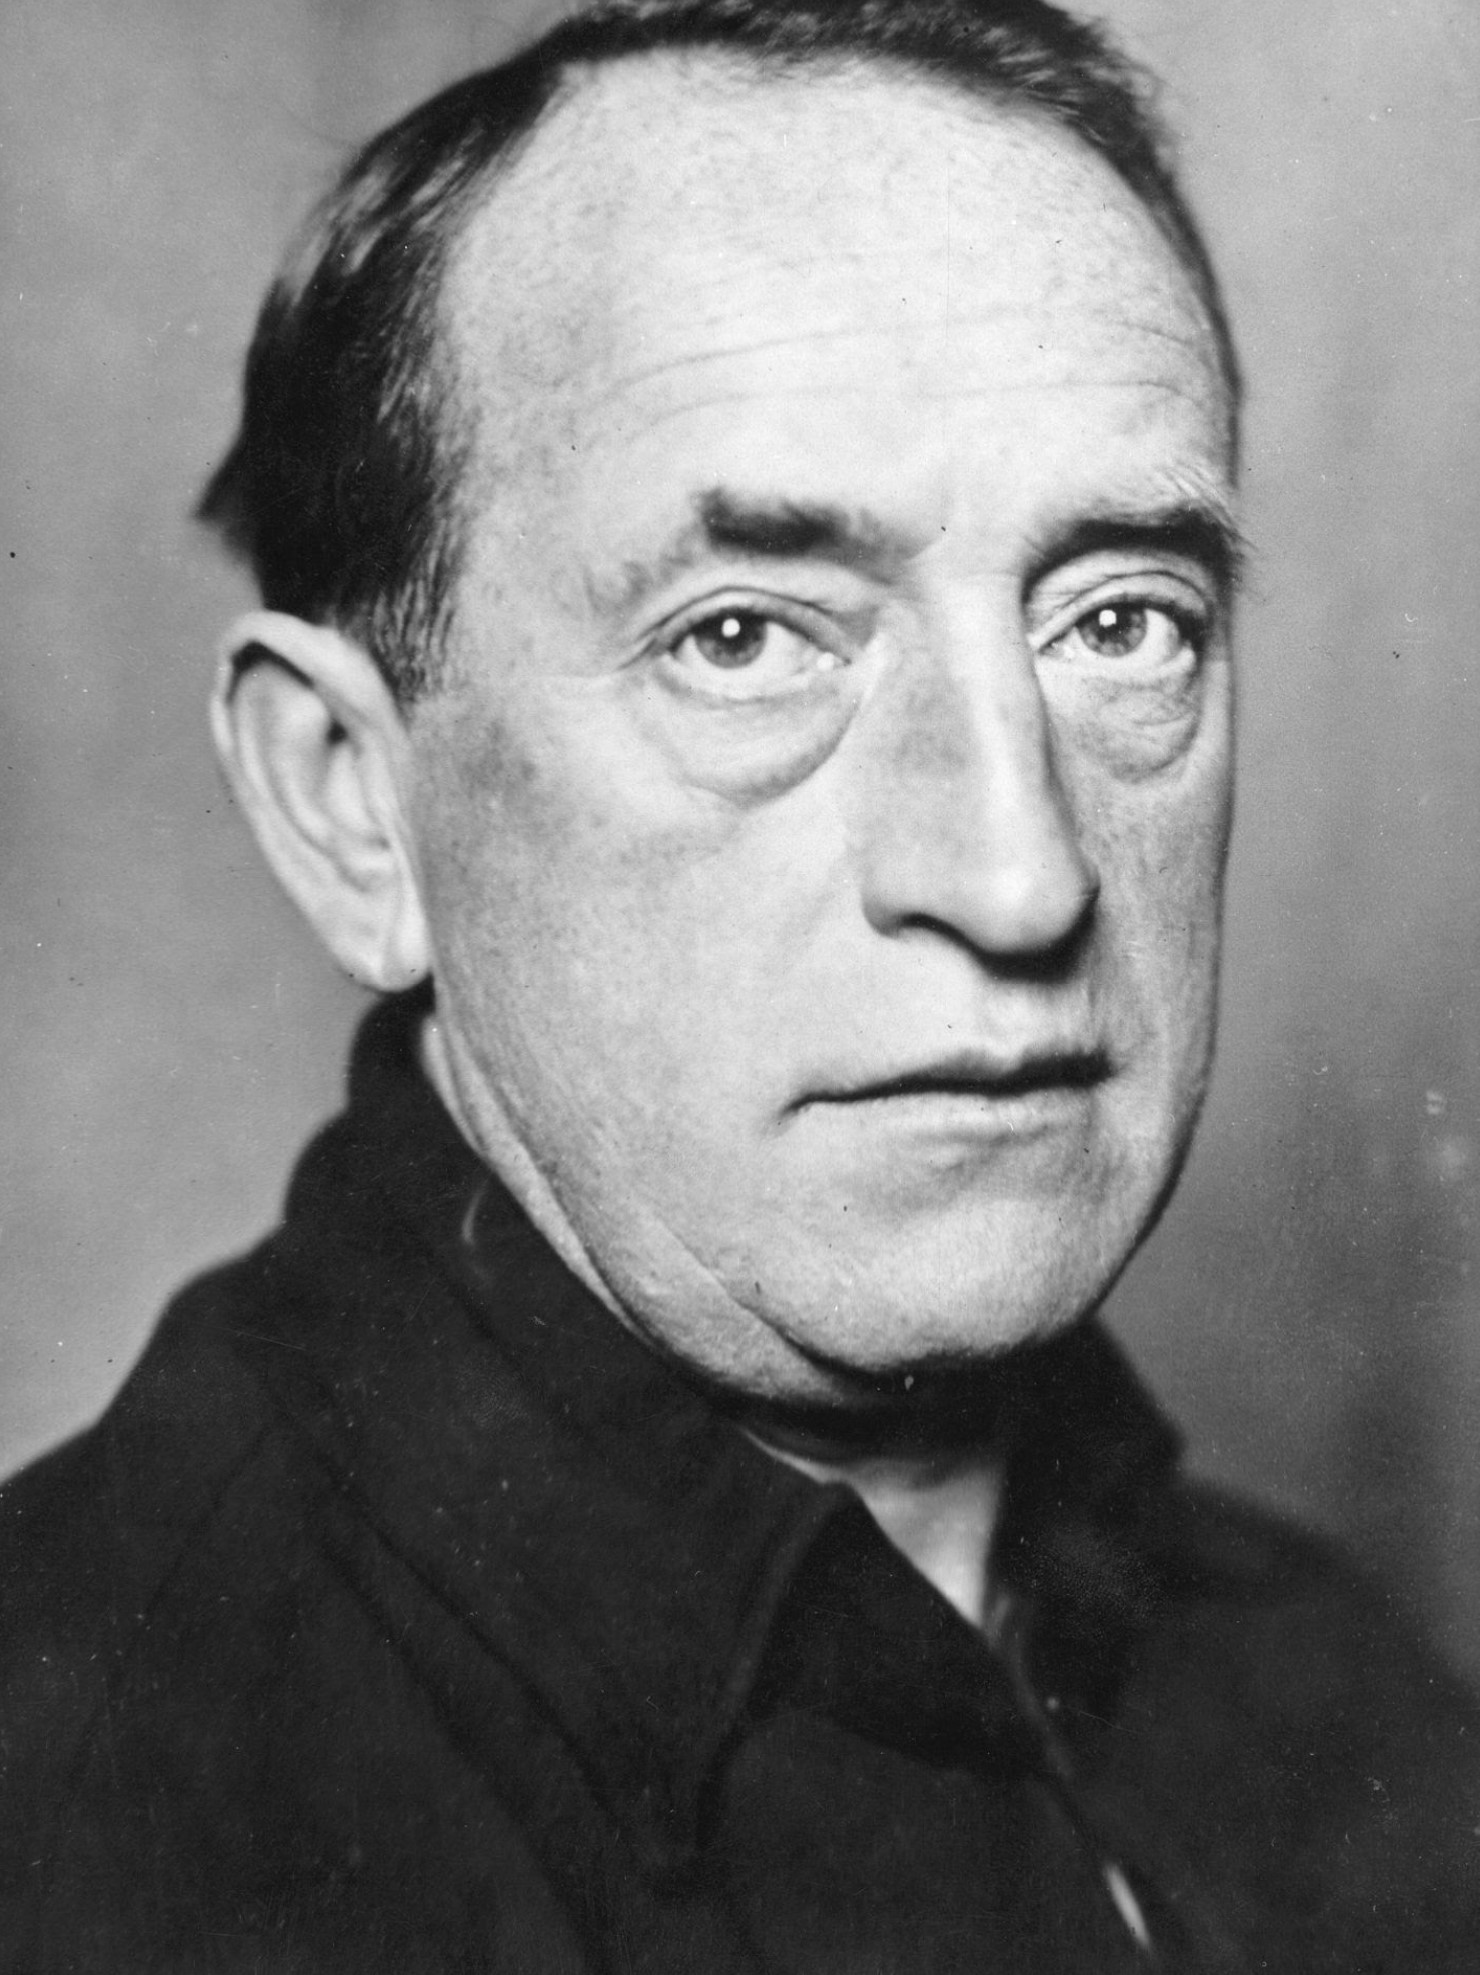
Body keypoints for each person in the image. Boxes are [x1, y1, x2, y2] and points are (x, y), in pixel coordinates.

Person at [1, 0, 1476, 1967]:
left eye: (1119, 620)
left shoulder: (1348, 1704)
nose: (1020, 874)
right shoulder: (92, 1816)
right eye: (742, 639)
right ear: (351, 801)